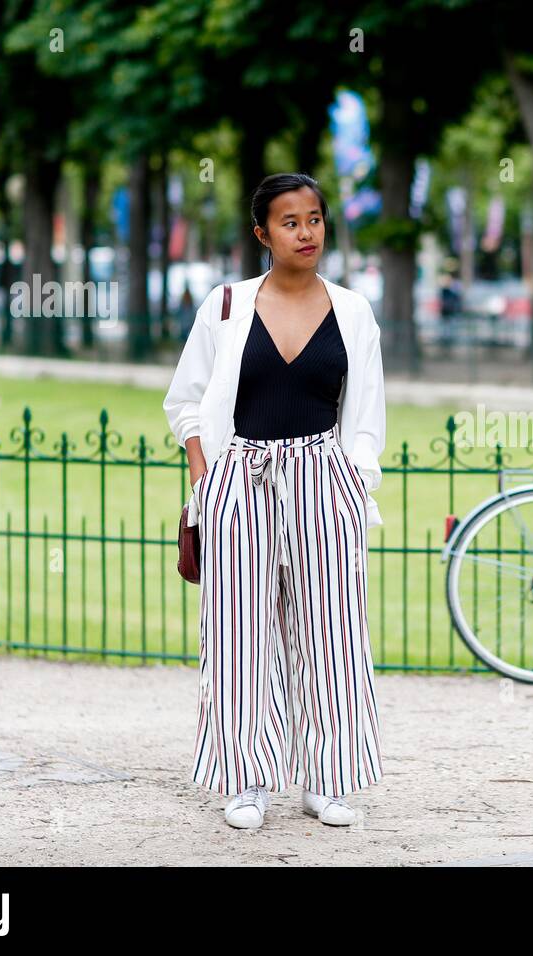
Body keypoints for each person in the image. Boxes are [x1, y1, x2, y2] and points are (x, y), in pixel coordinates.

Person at [163, 172, 387, 830]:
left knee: (334, 633)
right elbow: (187, 403)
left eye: (315, 218)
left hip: (324, 476)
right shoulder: (226, 306)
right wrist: (208, 482)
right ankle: (246, 778)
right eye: (290, 221)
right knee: (238, 635)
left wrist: (352, 481)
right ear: (263, 234)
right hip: (240, 480)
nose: (306, 231)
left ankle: (330, 778)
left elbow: (367, 412)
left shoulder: (353, 310)